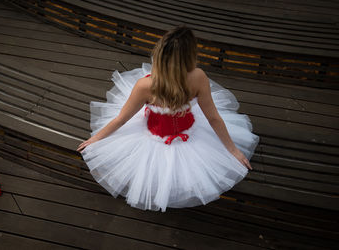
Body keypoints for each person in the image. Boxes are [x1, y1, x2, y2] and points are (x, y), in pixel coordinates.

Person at [77, 25, 260, 212]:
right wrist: (232, 149)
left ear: (158, 54)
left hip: (155, 132)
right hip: (188, 131)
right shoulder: (198, 77)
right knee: (186, 176)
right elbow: (213, 119)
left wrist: (96, 139)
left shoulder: (145, 86)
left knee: (154, 175)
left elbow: (121, 120)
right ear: (190, 56)